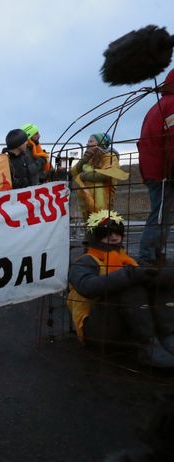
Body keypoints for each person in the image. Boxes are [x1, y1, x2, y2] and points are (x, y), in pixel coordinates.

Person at [66, 210, 174, 369]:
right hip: (94, 329)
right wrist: (130, 275)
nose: (114, 237)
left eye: (118, 232)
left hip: (121, 326)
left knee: (158, 282)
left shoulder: (127, 260)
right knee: (130, 288)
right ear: (95, 237)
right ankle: (147, 346)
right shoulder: (85, 261)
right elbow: (87, 287)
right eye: (107, 233)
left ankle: (167, 336)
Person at [137, 68, 174, 266]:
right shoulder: (172, 104)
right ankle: (148, 258)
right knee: (160, 215)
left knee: (162, 214)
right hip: (163, 171)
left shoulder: (160, 105)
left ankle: (153, 255)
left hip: (154, 168)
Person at [71, 132, 128, 221]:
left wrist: (83, 175)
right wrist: (83, 160)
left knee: (101, 225)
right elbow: (74, 171)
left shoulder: (110, 157)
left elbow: (105, 174)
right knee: (89, 227)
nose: (87, 144)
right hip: (86, 199)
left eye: (91, 141)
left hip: (103, 201)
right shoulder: (88, 157)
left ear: (101, 143)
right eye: (88, 142)